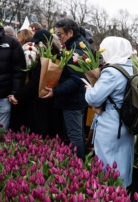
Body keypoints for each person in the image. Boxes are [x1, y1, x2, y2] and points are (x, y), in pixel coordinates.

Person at [85, 37, 135, 187]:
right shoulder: (132, 67)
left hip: (111, 123)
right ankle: (123, 190)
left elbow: (94, 99)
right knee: (124, 157)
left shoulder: (112, 72)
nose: (102, 53)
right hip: (127, 120)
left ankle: (110, 192)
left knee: (108, 158)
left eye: (104, 49)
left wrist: (89, 90)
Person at [42, 18, 89, 161]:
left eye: (60, 34)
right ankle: (81, 164)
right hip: (73, 99)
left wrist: (55, 91)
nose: (58, 37)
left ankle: (78, 167)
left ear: (70, 32)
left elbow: (76, 80)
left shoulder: (77, 49)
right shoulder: (75, 45)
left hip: (72, 100)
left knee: (74, 135)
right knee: (78, 134)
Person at [8, 30, 63, 139]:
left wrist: (17, 96)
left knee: (41, 134)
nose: (35, 46)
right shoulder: (55, 57)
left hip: (41, 103)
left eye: (37, 43)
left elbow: (35, 82)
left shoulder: (47, 60)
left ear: (44, 44)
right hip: (49, 102)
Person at [0, 25, 26, 129]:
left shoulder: (12, 43)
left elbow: (19, 71)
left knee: (1, 136)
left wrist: (15, 93)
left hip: (3, 97)